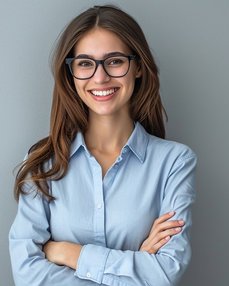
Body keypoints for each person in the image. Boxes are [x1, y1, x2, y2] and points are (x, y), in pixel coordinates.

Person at [9, 5, 197, 286]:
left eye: (115, 61)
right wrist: (135, 265)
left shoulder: (174, 163)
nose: (100, 77)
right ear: (71, 74)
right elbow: (26, 273)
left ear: (137, 68)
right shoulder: (42, 163)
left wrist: (68, 252)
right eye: (85, 63)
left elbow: (165, 272)